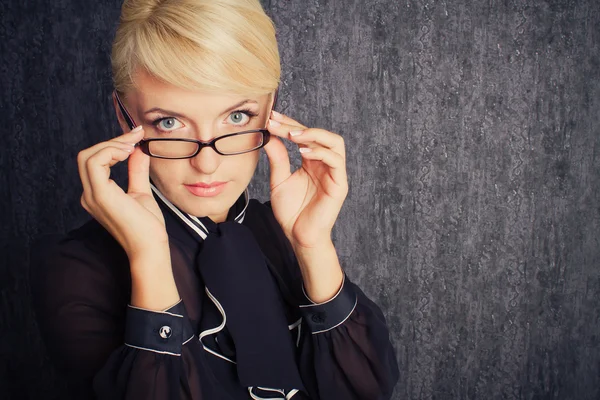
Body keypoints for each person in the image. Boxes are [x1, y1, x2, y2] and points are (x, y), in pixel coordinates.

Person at [31, 0, 399, 398]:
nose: (206, 164)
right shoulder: (76, 269)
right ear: (125, 119)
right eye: (169, 123)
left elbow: (366, 391)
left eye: (237, 116)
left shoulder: (283, 229)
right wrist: (150, 257)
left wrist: (313, 247)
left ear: (270, 108)